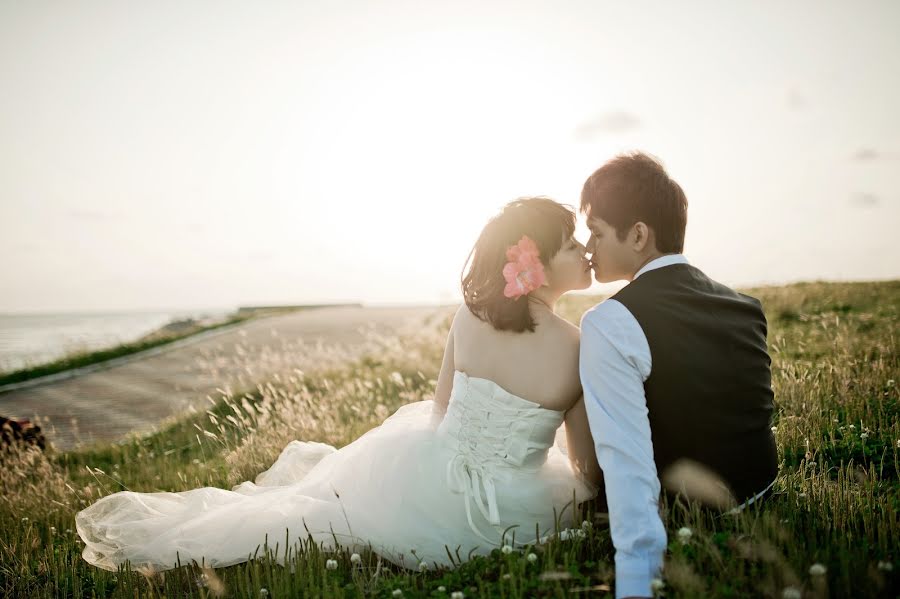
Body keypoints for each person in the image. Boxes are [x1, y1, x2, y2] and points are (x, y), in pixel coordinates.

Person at [75, 197, 603, 574]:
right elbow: (585, 464)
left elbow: (440, 412)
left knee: (319, 507)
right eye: (571, 244)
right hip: (516, 510)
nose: (584, 252)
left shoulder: (469, 317)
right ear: (533, 264)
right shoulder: (579, 345)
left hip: (430, 482)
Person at [578, 152, 779, 599]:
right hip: (760, 493)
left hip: (690, 512)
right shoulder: (746, 306)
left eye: (595, 233)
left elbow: (625, 461)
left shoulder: (609, 322)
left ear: (638, 235)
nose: (588, 250)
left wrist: (636, 582)